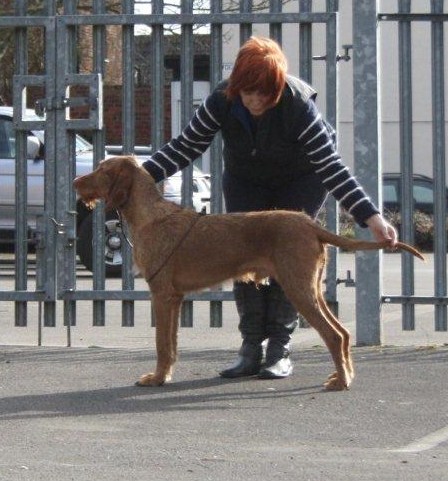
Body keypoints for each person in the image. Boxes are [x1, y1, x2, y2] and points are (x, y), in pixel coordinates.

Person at [142, 36, 397, 380]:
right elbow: (184, 147)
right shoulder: (222, 99)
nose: (256, 100)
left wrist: (371, 217)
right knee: (238, 256)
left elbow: (331, 167)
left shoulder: (298, 105)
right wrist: (135, 179)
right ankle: (251, 348)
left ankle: (279, 349)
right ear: (237, 86)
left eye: (265, 93)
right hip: (246, 179)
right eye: (248, 92)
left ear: (277, 87)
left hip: (301, 178)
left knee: (286, 262)